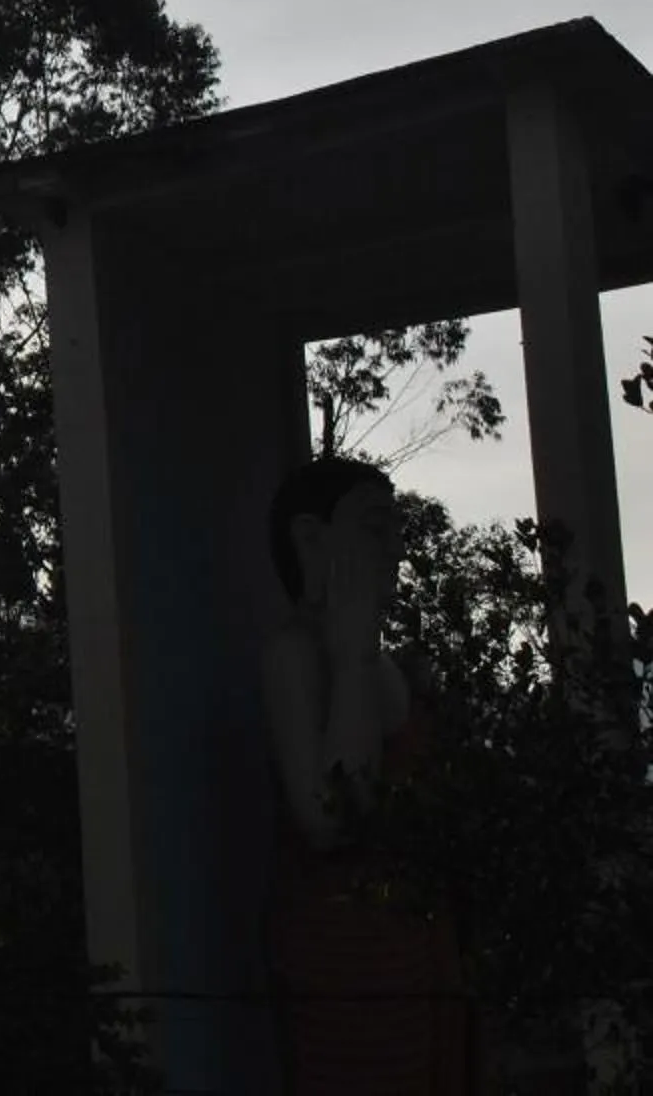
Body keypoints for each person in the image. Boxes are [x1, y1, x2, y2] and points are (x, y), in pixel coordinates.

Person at [260, 452, 477, 1094]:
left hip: (420, 947)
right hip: (347, 960)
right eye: (374, 528)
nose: (396, 550)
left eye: (397, 530)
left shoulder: (385, 665)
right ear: (310, 540)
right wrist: (352, 654)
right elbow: (330, 819)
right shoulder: (296, 655)